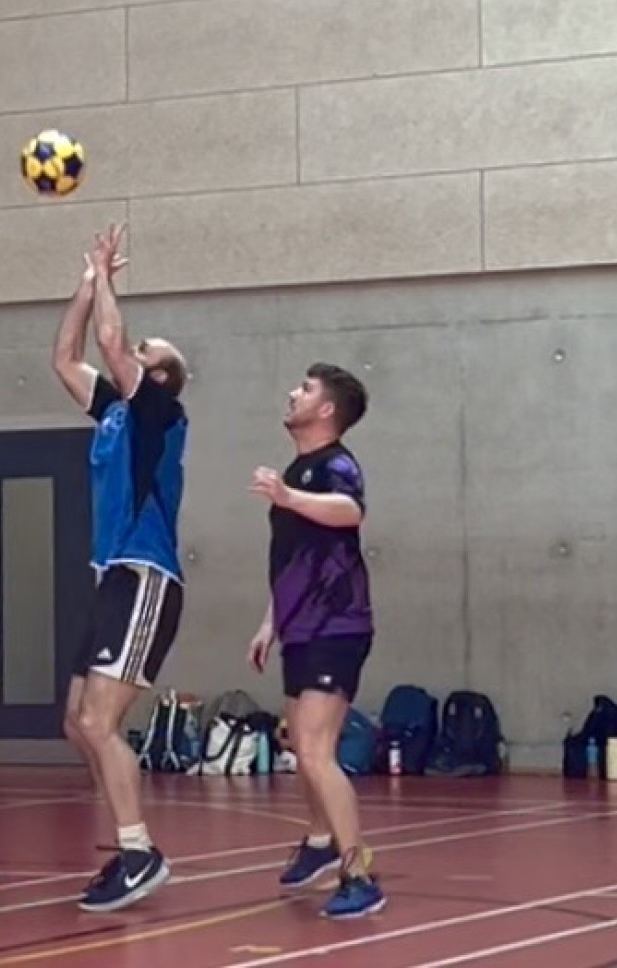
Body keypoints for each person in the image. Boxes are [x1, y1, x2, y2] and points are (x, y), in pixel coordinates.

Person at [50, 223, 188, 913]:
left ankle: (139, 852)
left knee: (100, 722)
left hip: (145, 575)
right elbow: (65, 358)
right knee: (77, 722)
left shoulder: (160, 411)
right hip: (113, 578)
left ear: (157, 376)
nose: (131, 351)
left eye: (144, 352)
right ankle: (130, 843)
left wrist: (108, 278)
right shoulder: (116, 414)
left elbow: (109, 341)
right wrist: (85, 286)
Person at [246, 362, 384, 920]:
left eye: (305, 389)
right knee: (301, 748)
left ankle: (359, 873)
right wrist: (270, 622)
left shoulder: (336, 465)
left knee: (316, 751)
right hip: (299, 627)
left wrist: (287, 497)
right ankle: (322, 841)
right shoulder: (298, 471)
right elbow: (294, 562)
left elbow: (350, 512)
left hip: (338, 624)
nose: (292, 393)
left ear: (326, 409)